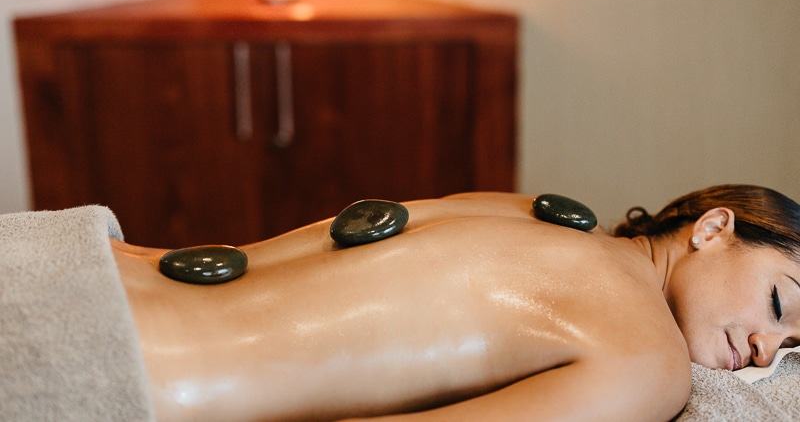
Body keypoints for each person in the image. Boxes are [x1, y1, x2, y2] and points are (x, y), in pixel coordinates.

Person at [109, 184, 800, 422]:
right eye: (778, 302)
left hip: (106, 261)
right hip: (127, 375)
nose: (765, 349)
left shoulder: (539, 210)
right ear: (713, 229)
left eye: (789, 347)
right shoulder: (651, 358)